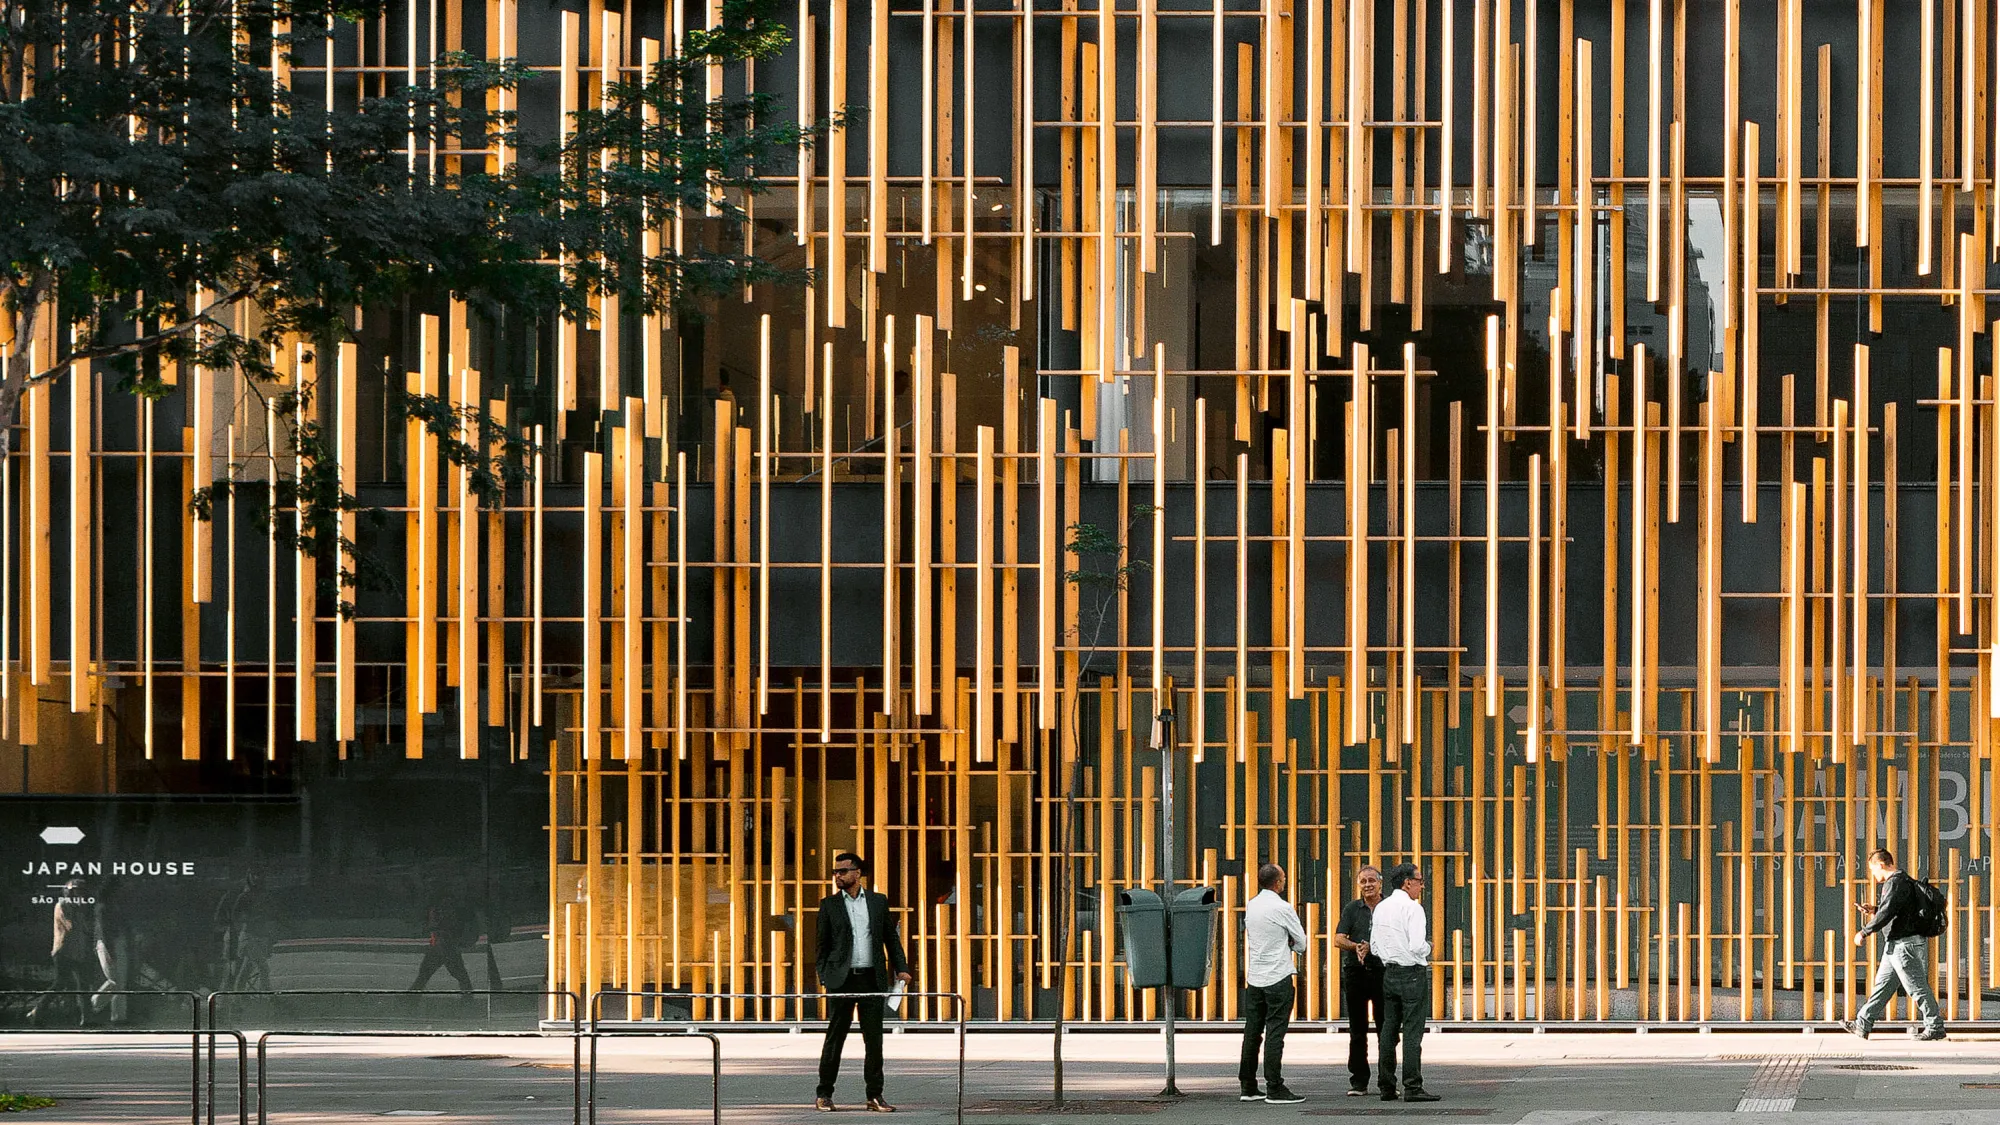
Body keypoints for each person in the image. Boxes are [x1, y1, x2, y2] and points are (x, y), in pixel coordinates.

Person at [813, 852, 912, 1113]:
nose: (838, 876)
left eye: (843, 871)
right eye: (835, 872)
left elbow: (891, 939)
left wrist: (901, 969)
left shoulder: (878, 902)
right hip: (841, 980)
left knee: (874, 1040)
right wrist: (825, 976)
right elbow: (821, 946)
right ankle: (824, 1093)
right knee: (835, 1038)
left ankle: (875, 1095)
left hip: (871, 978)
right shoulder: (829, 905)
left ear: (858, 873)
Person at [1842, 848, 1946, 1041]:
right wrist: (1874, 909)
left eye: (1874, 870)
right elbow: (1895, 910)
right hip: (1896, 945)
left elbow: (1888, 912)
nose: (1874, 876)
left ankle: (1935, 1026)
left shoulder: (1895, 883)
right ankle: (1862, 1023)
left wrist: (1864, 932)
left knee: (1917, 987)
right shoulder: (1903, 881)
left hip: (1904, 946)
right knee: (1882, 986)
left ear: (1881, 865)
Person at [1238, 863, 1307, 1104]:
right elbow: (1301, 943)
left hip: (1255, 978)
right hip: (1278, 976)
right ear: (1278, 882)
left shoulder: (1252, 904)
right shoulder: (1282, 907)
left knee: (1252, 1032)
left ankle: (1247, 1085)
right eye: (1284, 878)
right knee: (1275, 1032)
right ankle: (1275, 1087)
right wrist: (1289, 942)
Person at [1371, 864, 1439, 1102]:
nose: (1422, 885)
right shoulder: (1413, 909)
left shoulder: (1380, 907)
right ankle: (1412, 1085)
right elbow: (1416, 945)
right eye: (1420, 880)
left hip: (1389, 972)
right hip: (1412, 972)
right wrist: (1429, 947)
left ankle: (1386, 1085)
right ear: (1407, 882)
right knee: (1412, 1031)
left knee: (1389, 1029)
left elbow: (1374, 946)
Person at [1332, 865, 1386, 1096]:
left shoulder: (1389, 907)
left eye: (1371, 880)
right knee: (1357, 1030)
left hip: (1383, 973)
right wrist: (1357, 947)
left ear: (1381, 883)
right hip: (1356, 972)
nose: (1367, 885)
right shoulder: (1352, 908)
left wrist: (1372, 947)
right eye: (1363, 881)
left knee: (1386, 1029)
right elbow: (1338, 938)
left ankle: (1387, 1080)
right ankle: (1359, 1081)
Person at [27, 879, 95, 1027]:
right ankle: (37, 1011)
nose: (81, 893)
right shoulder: (63, 905)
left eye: (82, 891)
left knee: (83, 984)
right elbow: (71, 925)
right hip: (64, 950)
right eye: (77, 890)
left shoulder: (80, 906)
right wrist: (82, 913)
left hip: (78, 950)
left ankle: (87, 1019)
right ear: (69, 891)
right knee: (60, 983)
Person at [410, 891, 476, 995]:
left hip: (443, 946)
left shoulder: (440, 910)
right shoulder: (448, 909)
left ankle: (411, 998)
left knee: (425, 974)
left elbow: (433, 926)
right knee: (460, 975)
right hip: (444, 946)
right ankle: (468, 998)